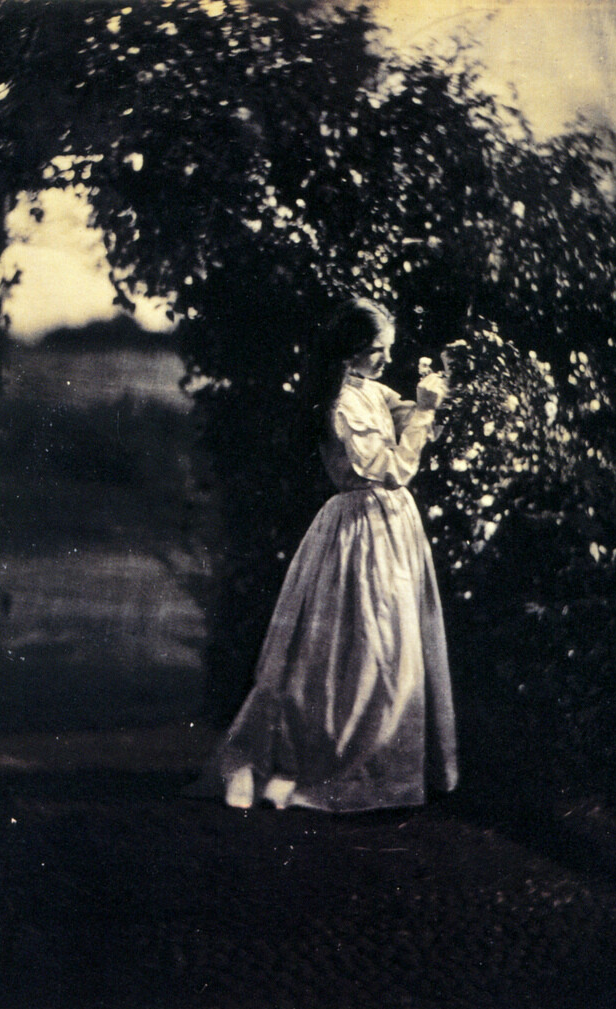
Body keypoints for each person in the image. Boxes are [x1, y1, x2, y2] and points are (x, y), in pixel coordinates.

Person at [192, 296, 458, 812]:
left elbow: (411, 418)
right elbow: (394, 468)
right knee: (359, 648)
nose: (385, 359)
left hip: (392, 527)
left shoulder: (371, 392)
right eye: (376, 350)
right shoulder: (339, 403)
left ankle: (384, 759)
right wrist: (423, 411)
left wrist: (438, 402)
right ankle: (326, 761)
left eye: (387, 349)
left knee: (391, 646)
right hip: (360, 530)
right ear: (350, 351)